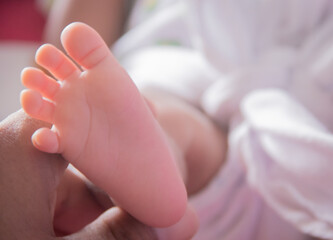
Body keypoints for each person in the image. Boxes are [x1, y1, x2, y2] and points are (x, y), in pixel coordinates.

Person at [20, 0, 333, 239]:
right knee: (151, 103)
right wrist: (76, 84)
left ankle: (138, 157)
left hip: (311, 97)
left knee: (158, 106)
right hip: (180, 57)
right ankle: (141, 156)